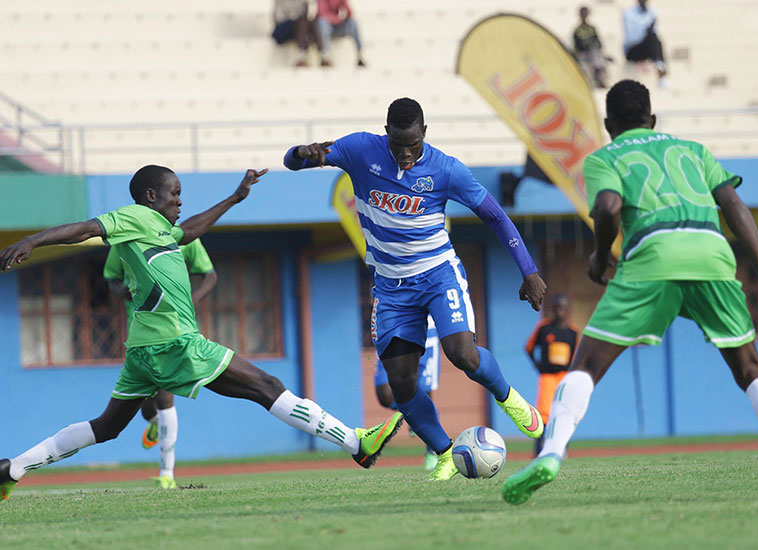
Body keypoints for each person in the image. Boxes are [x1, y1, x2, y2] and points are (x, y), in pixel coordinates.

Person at [501, 79, 758, 504]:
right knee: (750, 368)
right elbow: (735, 207)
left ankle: (553, 453)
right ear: (652, 120)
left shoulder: (605, 158)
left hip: (651, 258)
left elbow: (609, 208)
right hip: (712, 255)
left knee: (588, 364)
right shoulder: (696, 151)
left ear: (609, 125)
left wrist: (600, 258)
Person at [0, 166, 403, 501]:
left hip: (143, 349)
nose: (179, 200)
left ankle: (12, 468)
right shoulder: (133, 217)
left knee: (106, 427)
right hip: (175, 343)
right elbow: (86, 228)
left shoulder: (159, 230)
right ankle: (356, 443)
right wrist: (33, 241)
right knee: (266, 385)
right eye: (173, 193)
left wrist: (233, 198)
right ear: (149, 196)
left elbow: (189, 230)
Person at [283, 97, 548, 481]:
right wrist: (301, 152)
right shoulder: (360, 149)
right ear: (386, 132)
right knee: (400, 383)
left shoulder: (446, 169)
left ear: (425, 133)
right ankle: (443, 452)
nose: (406, 154)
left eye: (413, 145)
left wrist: (529, 271)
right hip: (391, 288)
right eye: (398, 145)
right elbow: (294, 162)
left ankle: (510, 398)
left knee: (462, 354)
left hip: (439, 274)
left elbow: (494, 215)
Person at [103, 237, 217, 489]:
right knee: (147, 409)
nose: (176, 202)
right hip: (140, 337)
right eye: (173, 194)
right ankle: (156, 424)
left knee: (166, 399)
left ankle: (167, 474)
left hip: (175, 333)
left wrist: (194, 298)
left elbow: (209, 275)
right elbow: (111, 276)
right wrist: (118, 290)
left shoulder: (184, 236)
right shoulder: (126, 240)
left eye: (178, 194)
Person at [374, 315, 441, 471]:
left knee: (425, 393)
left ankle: (434, 449)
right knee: (385, 394)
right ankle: (412, 411)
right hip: (391, 328)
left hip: (426, 333)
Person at [525, 293, 578, 456]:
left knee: (564, 411)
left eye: (564, 309)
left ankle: (563, 448)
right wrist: (538, 366)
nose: (560, 312)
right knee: (544, 413)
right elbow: (529, 348)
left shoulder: (573, 332)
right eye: (557, 308)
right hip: (547, 377)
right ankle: (538, 450)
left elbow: (575, 356)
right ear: (553, 309)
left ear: (568, 311)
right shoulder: (544, 328)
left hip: (564, 378)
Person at [622, 0, 668, 87]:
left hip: (648, 47)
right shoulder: (629, 13)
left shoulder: (652, 13)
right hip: (633, 49)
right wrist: (646, 31)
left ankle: (660, 67)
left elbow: (655, 34)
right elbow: (630, 37)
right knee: (651, 37)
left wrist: (649, 32)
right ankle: (659, 65)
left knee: (655, 40)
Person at [315, 0, 365, 68]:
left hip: (337, 26)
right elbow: (322, 14)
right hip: (327, 27)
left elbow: (350, 13)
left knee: (353, 23)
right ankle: (325, 57)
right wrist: (337, 19)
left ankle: (360, 56)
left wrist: (344, 9)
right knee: (322, 23)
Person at [271, 0, 320, 68]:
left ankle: (302, 55)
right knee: (302, 23)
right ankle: (302, 55)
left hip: (296, 27)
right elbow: (279, 18)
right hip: (281, 28)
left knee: (307, 23)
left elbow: (303, 14)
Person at [573, 6, 608, 89]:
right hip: (583, 54)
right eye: (583, 13)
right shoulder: (577, 30)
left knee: (596, 53)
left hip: (593, 54)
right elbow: (577, 46)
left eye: (586, 13)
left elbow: (599, 42)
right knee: (593, 54)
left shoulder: (592, 28)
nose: (584, 15)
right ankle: (596, 75)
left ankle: (599, 76)